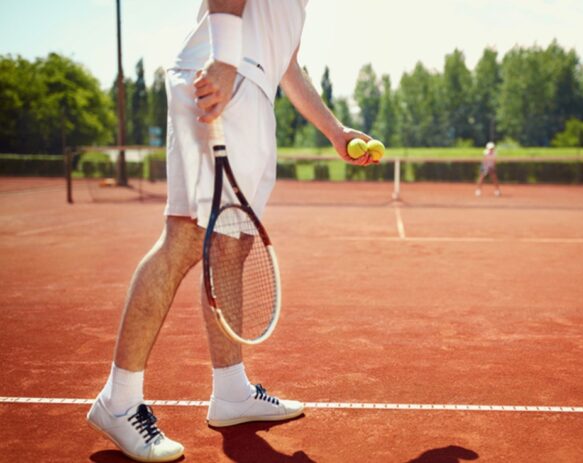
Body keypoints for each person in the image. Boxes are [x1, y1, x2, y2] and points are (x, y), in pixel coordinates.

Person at [86, 1, 377, 461]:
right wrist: (223, 61)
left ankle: (230, 392)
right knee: (184, 238)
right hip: (227, 76)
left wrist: (335, 131)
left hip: (248, 82)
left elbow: (288, 67)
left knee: (230, 246)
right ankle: (118, 401)